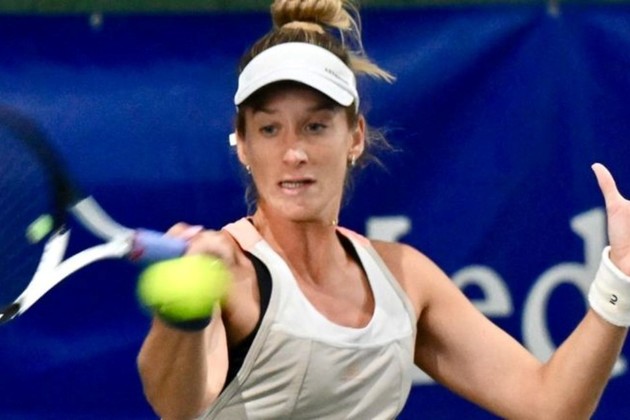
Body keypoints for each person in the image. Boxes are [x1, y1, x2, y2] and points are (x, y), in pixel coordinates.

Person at [137, 0, 630, 418]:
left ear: (354, 136)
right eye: (269, 130)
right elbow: (177, 408)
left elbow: (550, 405)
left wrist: (620, 280)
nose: (294, 152)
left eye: (315, 126)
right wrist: (185, 310)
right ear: (243, 145)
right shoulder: (228, 271)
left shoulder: (406, 278)